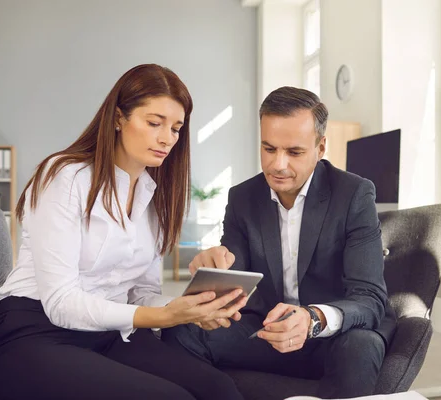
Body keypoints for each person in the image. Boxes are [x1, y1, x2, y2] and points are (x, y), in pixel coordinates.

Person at [0, 64, 246, 400]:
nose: (167, 138)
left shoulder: (155, 197)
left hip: (110, 333)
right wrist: (163, 316)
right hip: (33, 333)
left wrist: (191, 308)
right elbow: (61, 302)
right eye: (154, 123)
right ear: (119, 118)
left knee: (218, 389)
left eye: (176, 128)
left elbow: (141, 295)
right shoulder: (65, 176)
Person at [163, 86, 397, 399]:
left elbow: (369, 297)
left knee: (361, 345)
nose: (278, 165)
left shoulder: (354, 194)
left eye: (294, 152)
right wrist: (215, 271)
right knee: (180, 330)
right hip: (267, 331)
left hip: (332, 335)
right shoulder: (243, 198)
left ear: (321, 146)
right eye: (269, 149)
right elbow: (235, 276)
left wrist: (312, 319)